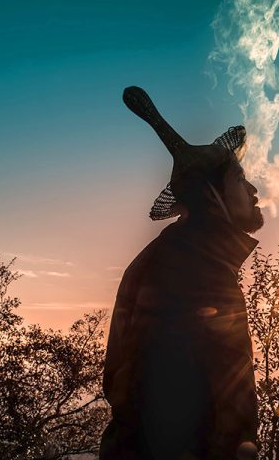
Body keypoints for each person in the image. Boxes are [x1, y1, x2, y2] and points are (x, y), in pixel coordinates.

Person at [99, 87, 262, 460]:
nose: (252, 189)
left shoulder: (183, 259)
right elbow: (162, 412)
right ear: (211, 197)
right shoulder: (189, 274)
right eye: (239, 179)